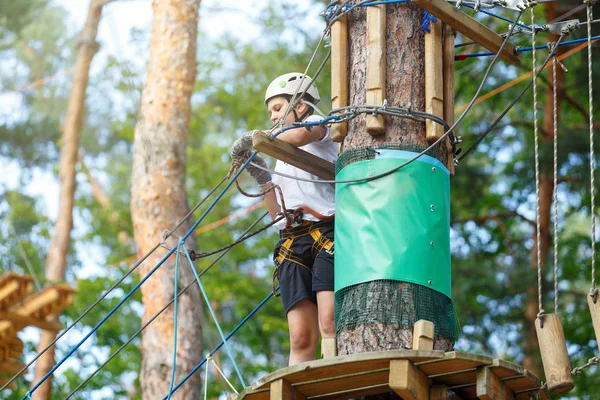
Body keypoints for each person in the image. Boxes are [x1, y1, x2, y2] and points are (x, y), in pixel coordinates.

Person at [230, 73, 337, 365]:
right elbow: (278, 214)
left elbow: (301, 135)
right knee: (300, 337)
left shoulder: (320, 127)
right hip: (292, 240)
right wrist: (264, 178)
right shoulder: (280, 154)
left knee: (330, 321)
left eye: (278, 109)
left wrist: (260, 139)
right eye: (270, 113)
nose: (274, 117)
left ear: (300, 106)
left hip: (326, 233)